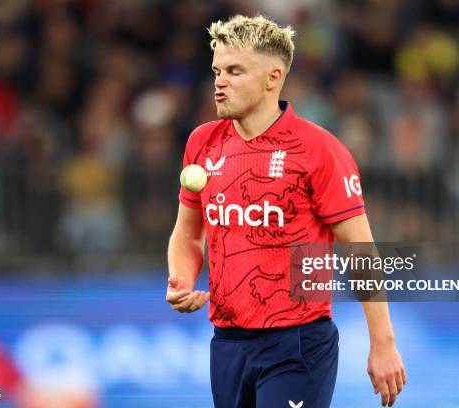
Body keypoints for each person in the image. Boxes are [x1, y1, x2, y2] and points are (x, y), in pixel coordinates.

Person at [166, 15, 406, 408]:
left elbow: (361, 249)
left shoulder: (318, 149)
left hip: (298, 343)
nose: (219, 81)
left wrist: (383, 344)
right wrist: (180, 277)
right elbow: (189, 233)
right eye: (216, 71)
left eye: (234, 71)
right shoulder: (203, 143)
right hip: (226, 341)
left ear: (272, 78)